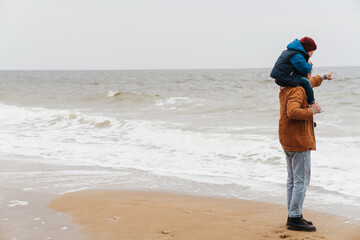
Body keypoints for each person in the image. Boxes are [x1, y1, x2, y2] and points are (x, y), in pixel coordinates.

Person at [278, 68, 333, 231]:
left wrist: (322, 77)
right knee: (301, 179)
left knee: (293, 179)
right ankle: (294, 217)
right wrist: (313, 110)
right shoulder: (298, 90)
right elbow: (293, 112)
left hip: (288, 138)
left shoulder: (288, 86)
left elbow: (310, 82)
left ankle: (293, 214)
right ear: (305, 74)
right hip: (299, 140)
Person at [271, 37, 318, 108]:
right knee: (306, 82)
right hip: (284, 78)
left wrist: (324, 77)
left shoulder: (291, 52)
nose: (312, 54)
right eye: (312, 52)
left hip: (283, 76)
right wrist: (309, 64)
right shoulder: (296, 55)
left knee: (303, 81)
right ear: (308, 50)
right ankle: (312, 102)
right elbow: (305, 69)